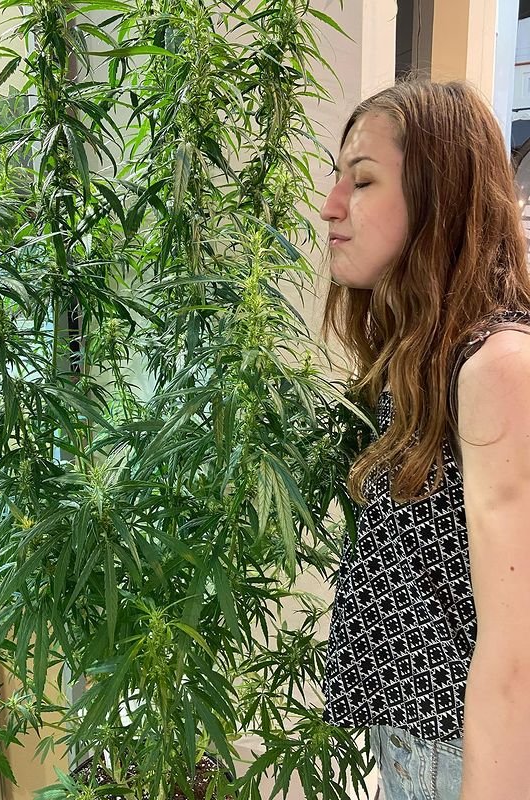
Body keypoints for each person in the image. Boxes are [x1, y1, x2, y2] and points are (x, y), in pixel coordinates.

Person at [319, 79, 530, 800]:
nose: (331, 205)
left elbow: (517, 657)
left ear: (439, 198)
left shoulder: (497, 364)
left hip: (464, 760)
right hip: (422, 752)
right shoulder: (425, 359)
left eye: (362, 180)